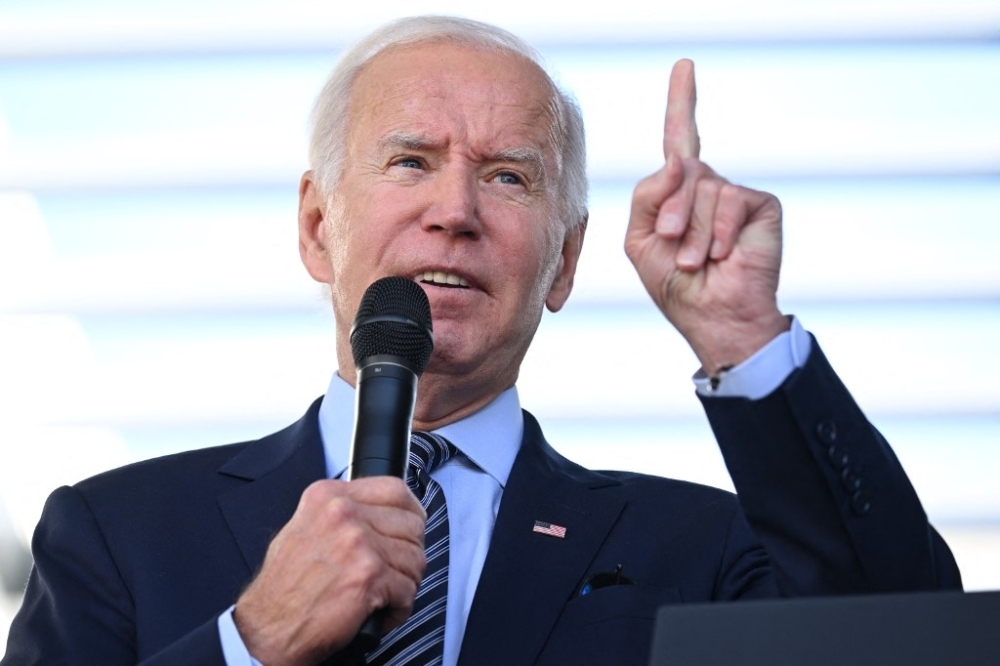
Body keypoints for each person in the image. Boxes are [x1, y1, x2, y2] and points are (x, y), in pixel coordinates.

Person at [2, 15, 961, 666]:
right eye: (409, 161)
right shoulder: (116, 535)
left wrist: (744, 338)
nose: (453, 211)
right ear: (317, 227)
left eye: (507, 177)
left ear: (565, 263)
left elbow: (907, 632)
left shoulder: (700, 550)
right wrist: (251, 643)